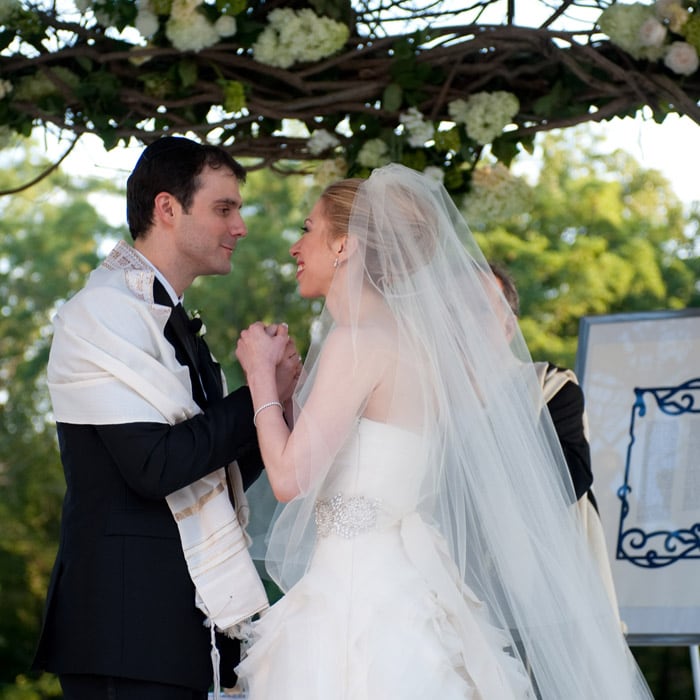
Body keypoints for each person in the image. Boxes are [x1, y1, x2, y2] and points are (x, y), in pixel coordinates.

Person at [233, 164, 653, 699]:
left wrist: (258, 378)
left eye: (307, 228)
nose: (296, 246)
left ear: (346, 245)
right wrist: (289, 396)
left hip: (357, 592)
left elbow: (290, 479)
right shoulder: (416, 347)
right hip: (408, 577)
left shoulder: (357, 342)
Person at [32, 136, 300, 700]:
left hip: (176, 628)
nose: (241, 227)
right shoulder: (103, 312)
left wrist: (275, 402)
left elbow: (213, 473)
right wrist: (255, 386)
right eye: (224, 208)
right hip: (125, 627)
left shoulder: (168, 318)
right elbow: (155, 467)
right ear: (167, 209)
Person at [488, 261, 623, 626]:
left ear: (507, 325)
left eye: (480, 306)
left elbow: (570, 477)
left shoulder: (549, 386)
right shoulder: (426, 398)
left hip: (544, 596)